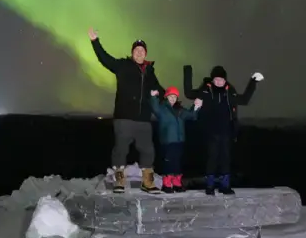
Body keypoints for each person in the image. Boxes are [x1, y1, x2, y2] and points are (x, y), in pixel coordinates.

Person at [88, 28, 165, 193]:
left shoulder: (150, 71)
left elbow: (159, 89)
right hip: (124, 118)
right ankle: (119, 181)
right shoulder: (123, 65)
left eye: (142, 50)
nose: (139, 53)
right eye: (136, 50)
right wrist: (95, 42)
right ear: (132, 53)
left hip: (144, 119)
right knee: (120, 150)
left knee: (148, 150)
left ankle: (148, 182)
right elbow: (105, 59)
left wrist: (171, 97)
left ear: (145, 53)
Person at [183, 64, 263, 195]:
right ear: (212, 79)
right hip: (210, 132)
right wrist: (187, 72)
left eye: (221, 79)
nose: (219, 82)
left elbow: (244, 99)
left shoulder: (229, 91)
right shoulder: (206, 90)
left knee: (225, 159)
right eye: (216, 79)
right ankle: (210, 186)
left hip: (226, 132)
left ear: (225, 80)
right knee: (212, 158)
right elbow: (188, 93)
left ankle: (225, 186)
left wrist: (253, 82)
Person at [149, 86, 203, 193]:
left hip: (179, 140)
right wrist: (153, 97)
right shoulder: (162, 109)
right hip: (168, 140)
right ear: (166, 97)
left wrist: (196, 106)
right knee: (168, 162)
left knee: (177, 162)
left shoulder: (180, 110)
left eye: (175, 96)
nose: (173, 98)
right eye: (170, 96)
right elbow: (154, 108)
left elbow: (192, 115)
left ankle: (177, 183)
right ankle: (167, 184)